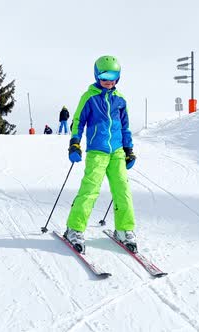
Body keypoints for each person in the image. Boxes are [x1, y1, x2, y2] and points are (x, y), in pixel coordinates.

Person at [64, 55, 138, 253]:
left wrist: (129, 149)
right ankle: (74, 228)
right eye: (104, 75)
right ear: (97, 75)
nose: (108, 80)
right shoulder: (89, 97)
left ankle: (124, 229)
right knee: (90, 190)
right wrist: (74, 143)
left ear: (118, 76)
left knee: (122, 190)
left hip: (117, 152)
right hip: (97, 151)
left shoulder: (120, 100)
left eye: (113, 75)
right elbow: (78, 121)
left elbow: (125, 127)